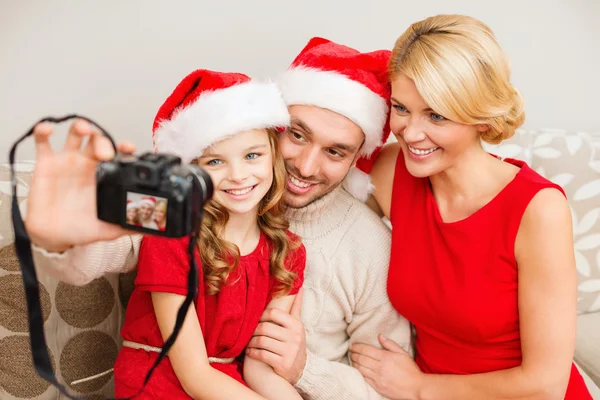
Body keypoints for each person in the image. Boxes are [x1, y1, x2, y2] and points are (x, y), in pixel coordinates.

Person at [26, 38, 411, 399]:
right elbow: (108, 243)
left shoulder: (359, 244)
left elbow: (385, 388)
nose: (306, 165)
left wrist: (305, 369)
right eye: (296, 134)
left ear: (356, 158)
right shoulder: (183, 205)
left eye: (336, 151)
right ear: (270, 127)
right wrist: (61, 239)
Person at [349, 14, 592, 399]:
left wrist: (419, 387)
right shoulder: (390, 170)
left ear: (481, 117)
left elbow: (545, 385)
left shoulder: (538, 209)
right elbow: (307, 178)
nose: (411, 133)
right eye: (401, 108)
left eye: (436, 115)